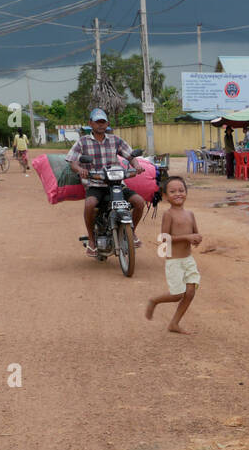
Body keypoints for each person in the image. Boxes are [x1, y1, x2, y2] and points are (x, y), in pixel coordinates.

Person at [67, 107, 146, 258]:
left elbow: (130, 155)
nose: (100, 125)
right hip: (95, 184)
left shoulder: (115, 140)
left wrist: (136, 165)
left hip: (116, 184)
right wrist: (80, 170)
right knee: (89, 204)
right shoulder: (83, 142)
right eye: (97, 122)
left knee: (139, 202)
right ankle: (91, 241)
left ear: (107, 123)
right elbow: (72, 161)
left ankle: (132, 232)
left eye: (103, 122)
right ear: (90, 123)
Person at [145, 176, 202, 334]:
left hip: (188, 260)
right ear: (165, 196)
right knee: (177, 294)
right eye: (173, 191)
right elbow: (164, 238)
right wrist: (186, 238)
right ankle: (154, 300)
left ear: (186, 192)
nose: (178, 193)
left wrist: (197, 238)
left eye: (181, 190)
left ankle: (174, 324)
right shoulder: (168, 214)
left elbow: (195, 232)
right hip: (174, 261)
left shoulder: (190, 214)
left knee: (190, 292)